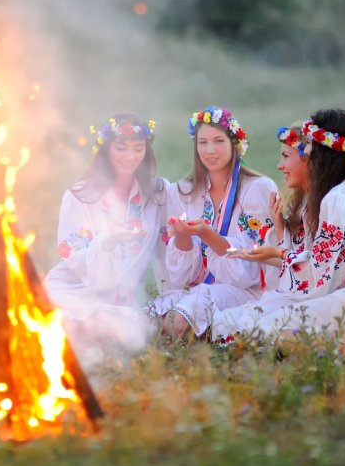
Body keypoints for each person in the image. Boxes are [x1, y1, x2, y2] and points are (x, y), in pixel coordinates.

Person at [211, 109, 345, 352]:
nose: (305, 151)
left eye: (309, 146)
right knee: (267, 324)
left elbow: (324, 276)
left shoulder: (338, 198)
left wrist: (280, 256)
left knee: (261, 330)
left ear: (323, 153)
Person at [149, 106, 280, 338]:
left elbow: (254, 266)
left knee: (177, 321)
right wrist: (182, 236)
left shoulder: (258, 188)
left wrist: (208, 235)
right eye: (202, 142)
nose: (210, 150)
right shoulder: (184, 191)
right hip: (200, 288)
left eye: (219, 141)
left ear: (234, 143)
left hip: (246, 292)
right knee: (147, 319)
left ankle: (206, 341)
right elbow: (181, 278)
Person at [44, 113, 171, 352]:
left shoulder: (157, 193)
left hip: (120, 297)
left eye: (138, 148)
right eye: (120, 148)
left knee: (127, 329)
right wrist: (106, 243)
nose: (129, 157)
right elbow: (72, 256)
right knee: (67, 323)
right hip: (74, 288)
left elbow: (170, 242)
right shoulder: (80, 196)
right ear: (106, 150)